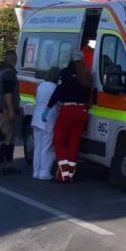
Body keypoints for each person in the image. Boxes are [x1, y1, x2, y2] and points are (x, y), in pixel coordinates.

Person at [49, 49, 92, 183]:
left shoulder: (65, 73)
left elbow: (58, 92)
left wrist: (48, 106)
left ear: (71, 59)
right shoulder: (87, 74)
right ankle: (71, 174)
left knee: (58, 140)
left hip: (68, 110)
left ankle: (63, 174)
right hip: (82, 112)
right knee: (74, 142)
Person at [0, 50, 22, 175]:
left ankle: (4, 163)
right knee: (5, 138)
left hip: (1, 109)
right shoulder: (9, 73)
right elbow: (8, 93)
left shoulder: (1, 72)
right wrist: (10, 110)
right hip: (5, 111)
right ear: (13, 60)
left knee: (5, 138)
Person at [31, 66, 61, 180]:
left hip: (36, 118)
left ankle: (36, 171)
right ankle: (44, 172)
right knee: (47, 147)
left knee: (38, 147)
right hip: (48, 119)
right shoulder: (55, 87)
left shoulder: (41, 85)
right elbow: (58, 103)